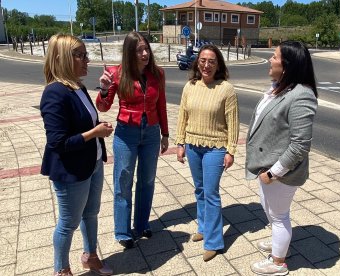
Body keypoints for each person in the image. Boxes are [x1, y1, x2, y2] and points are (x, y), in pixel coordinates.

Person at [40, 34, 114, 276]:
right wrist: (94, 132)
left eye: (86, 55)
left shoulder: (78, 87)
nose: (86, 60)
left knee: (91, 213)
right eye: (80, 55)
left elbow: (85, 122)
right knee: (68, 224)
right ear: (62, 58)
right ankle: (61, 270)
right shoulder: (54, 93)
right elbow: (57, 143)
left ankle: (90, 256)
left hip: (91, 163)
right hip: (71, 171)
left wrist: (96, 128)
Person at [245, 41, 318, 276]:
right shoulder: (279, 87)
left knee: (279, 215)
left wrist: (273, 173)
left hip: (280, 172)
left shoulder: (301, 95)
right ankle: (279, 243)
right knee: (270, 210)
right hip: (265, 165)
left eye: (274, 57)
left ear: (286, 65)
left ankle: (278, 263)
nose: (269, 60)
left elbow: (300, 146)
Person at [96, 31, 169, 249]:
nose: (145, 54)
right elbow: (103, 107)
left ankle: (141, 223)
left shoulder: (158, 74)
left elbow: (161, 105)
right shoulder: (116, 74)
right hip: (126, 133)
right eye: (139, 50)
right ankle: (122, 231)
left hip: (151, 133)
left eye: (147, 49)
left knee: (147, 180)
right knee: (123, 182)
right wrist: (104, 89)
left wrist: (165, 134)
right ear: (130, 52)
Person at [175, 44, 240, 262]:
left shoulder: (226, 89)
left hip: (216, 148)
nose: (207, 65)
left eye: (212, 61)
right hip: (193, 145)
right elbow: (182, 116)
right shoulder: (190, 86)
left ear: (218, 64)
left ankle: (213, 242)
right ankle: (203, 227)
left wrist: (231, 150)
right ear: (197, 62)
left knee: (211, 193)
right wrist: (180, 143)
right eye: (203, 60)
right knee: (200, 190)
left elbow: (233, 122)